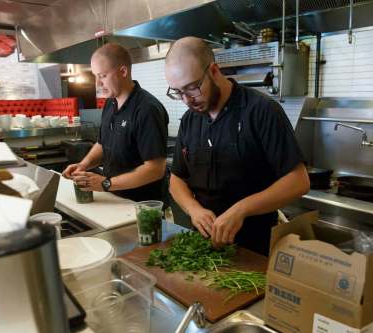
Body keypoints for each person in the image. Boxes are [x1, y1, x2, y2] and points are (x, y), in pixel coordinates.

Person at [165, 37, 310, 255]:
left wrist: (241, 210)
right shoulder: (190, 120)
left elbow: (298, 181)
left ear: (214, 71)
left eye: (192, 88)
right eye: (178, 92)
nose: (187, 100)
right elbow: (176, 179)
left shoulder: (261, 111)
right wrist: (193, 209)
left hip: (255, 248)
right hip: (202, 246)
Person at [63, 43, 169, 203]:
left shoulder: (147, 109)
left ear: (123, 71)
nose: (97, 84)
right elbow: (102, 143)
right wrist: (83, 165)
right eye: (95, 76)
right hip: (114, 197)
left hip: (143, 205)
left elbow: (155, 169)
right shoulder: (110, 103)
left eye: (103, 76)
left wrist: (105, 183)